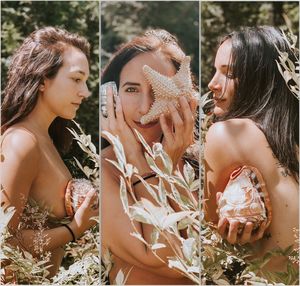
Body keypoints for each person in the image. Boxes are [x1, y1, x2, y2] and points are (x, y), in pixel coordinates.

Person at [101, 30, 198, 284]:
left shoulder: (201, 162)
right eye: (132, 89)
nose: (145, 108)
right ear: (111, 95)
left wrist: (172, 162)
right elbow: (167, 257)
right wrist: (135, 158)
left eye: (158, 89)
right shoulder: (104, 170)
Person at [1, 27, 99, 278]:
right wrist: (74, 229)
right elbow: (3, 244)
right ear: (43, 79)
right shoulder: (21, 143)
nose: (85, 92)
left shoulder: (46, 140)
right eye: (77, 79)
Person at [204, 26, 299, 271]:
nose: (212, 84)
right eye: (216, 71)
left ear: (261, 80)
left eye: (229, 74)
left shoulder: (227, 134)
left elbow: (202, 231)